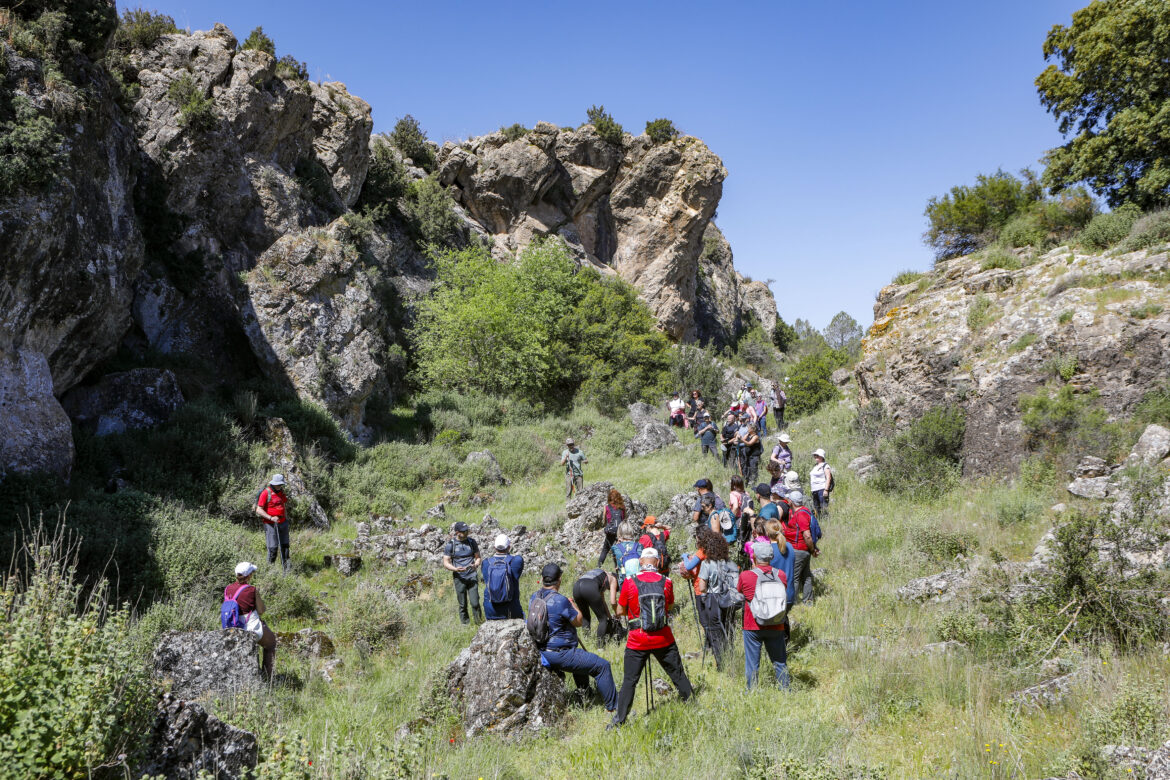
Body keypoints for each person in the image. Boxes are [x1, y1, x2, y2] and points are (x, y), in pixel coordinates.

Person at [611, 548, 694, 728]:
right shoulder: (667, 582)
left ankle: (619, 722)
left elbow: (619, 611)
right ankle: (692, 704)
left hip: (637, 639)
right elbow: (669, 605)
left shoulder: (629, 582)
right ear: (657, 562)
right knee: (677, 674)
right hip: (663, 638)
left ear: (641, 562)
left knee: (629, 681)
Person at [530, 564, 618, 713]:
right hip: (560, 653)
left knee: (581, 661)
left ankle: (586, 694)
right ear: (559, 580)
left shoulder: (535, 596)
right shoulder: (560, 600)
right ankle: (615, 708)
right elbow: (578, 621)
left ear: (543, 579)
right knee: (602, 666)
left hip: (543, 649)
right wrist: (573, 605)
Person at [737, 541, 790, 690]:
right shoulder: (781, 575)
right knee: (780, 661)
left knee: (752, 664)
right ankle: (785, 690)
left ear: (753, 557)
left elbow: (740, 591)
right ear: (771, 557)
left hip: (752, 625)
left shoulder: (746, 576)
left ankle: (752, 692)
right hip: (777, 623)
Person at [694, 527, 739, 669]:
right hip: (730, 599)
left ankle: (721, 664)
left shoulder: (708, 563)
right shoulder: (731, 563)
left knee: (715, 631)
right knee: (729, 628)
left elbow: (702, 586)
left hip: (714, 599)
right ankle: (732, 657)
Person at [223, 562, 276, 680]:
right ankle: (269, 678)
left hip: (232, 627)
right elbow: (261, 610)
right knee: (271, 643)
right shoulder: (251, 590)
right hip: (250, 626)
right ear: (249, 576)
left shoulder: (228, 589)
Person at [442, 522, 483, 625]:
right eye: (464, 531)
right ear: (457, 532)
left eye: (467, 530)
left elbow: (478, 558)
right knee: (462, 604)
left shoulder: (472, 542)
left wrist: (476, 565)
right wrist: (456, 569)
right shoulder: (451, 545)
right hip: (459, 577)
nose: (467, 532)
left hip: (472, 576)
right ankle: (465, 624)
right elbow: (446, 563)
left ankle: (479, 624)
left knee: (475, 603)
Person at [781, 491, 816, 604]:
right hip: (804, 550)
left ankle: (792, 602)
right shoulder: (805, 511)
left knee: (794, 577)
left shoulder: (800, 514)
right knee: (806, 576)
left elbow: (807, 535)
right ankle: (808, 601)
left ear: (791, 501)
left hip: (799, 550)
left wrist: (812, 549)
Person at [572, 567, 621, 644]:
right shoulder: (613, 579)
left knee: (585, 617)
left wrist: (610, 618)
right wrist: (617, 613)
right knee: (603, 620)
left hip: (576, 587)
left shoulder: (600, 577)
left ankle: (586, 642)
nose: (609, 589)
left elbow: (603, 603)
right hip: (589, 587)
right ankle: (600, 647)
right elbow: (613, 602)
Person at [482, 534, 524, 619]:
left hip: (491, 610)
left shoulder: (486, 563)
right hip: (511, 610)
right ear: (509, 547)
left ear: (494, 547)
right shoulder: (517, 561)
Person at [255, 473, 291, 572]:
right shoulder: (266, 493)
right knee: (273, 549)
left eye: (281, 484)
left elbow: (283, 504)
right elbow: (258, 510)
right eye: (278, 484)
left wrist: (285, 518)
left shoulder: (281, 492)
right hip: (270, 524)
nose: (280, 486)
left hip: (283, 523)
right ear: (273, 483)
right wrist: (271, 518)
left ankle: (287, 572)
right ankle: (269, 572)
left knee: (285, 548)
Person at [764, 518, 797, 610]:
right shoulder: (789, 546)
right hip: (789, 594)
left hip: (774, 596)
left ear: (767, 532)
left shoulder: (768, 550)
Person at [598, 489, 626, 567]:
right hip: (620, 532)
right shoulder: (622, 507)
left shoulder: (606, 507)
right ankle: (620, 567)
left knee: (605, 549)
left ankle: (599, 566)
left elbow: (604, 520)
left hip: (610, 531)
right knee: (620, 550)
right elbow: (623, 519)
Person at [810, 449, 833, 518]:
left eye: (817, 455)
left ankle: (825, 519)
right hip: (814, 489)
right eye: (815, 455)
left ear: (821, 456)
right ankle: (819, 520)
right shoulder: (815, 466)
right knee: (816, 507)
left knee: (823, 506)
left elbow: (828, 478)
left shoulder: (825, 466)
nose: (815, 456)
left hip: (822, 488)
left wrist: (826, 490)